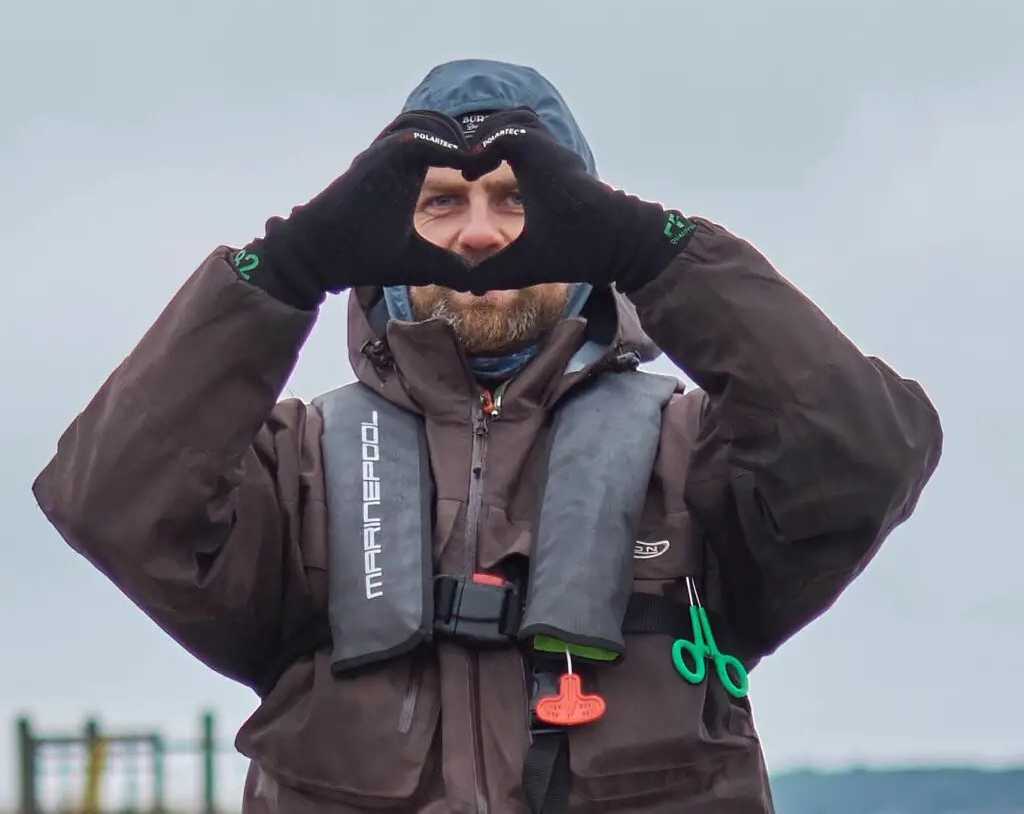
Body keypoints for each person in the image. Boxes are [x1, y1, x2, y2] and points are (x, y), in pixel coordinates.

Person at [32, 59, 943, 814]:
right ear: (381, 235)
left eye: (516, 201)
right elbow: (108, 500)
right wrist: (286, 266)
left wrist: (658, 252)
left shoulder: (700, 453)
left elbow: (867, 460)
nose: (479, 237)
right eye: (438, 206)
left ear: (583, 221)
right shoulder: (292, 471)